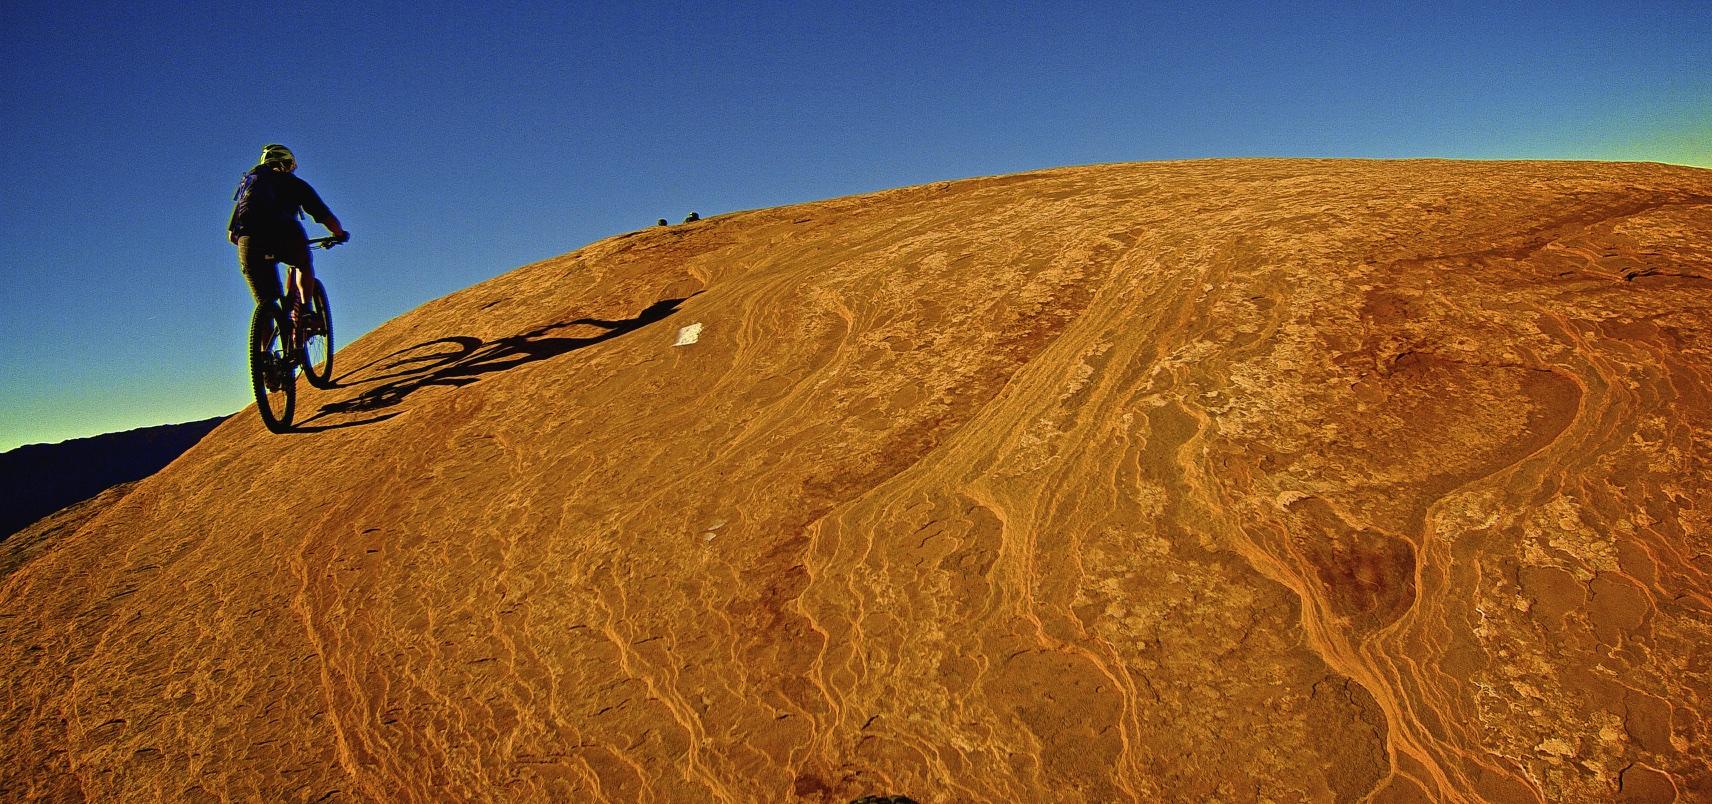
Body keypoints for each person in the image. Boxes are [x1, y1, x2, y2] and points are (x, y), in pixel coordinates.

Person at [228, 144, 348, 312]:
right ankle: (306, 310)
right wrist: (340, 234)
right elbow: (324, 215)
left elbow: (232, 236)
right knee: (303, 263)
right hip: (286, 233)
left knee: (266, 305)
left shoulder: (249, 188)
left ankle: (267, 328)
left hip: (248, 242)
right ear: (283, 163)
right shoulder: (293, 183)